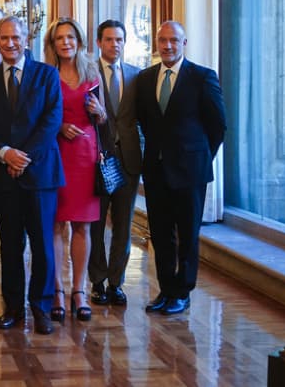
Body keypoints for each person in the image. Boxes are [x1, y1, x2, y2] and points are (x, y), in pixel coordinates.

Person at [0, 16, 63, 335]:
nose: (9, 43)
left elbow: (52, 120)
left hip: (40, 175)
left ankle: (40, 306)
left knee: (42, 246)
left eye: (15, 37)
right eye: (4, 37)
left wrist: (22, 157)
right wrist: (4, 153)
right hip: (2, 175)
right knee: (9, 246)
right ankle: (13, 307)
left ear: (26, 39)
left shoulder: (47, 74)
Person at [137, 21, 226, 316]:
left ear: (184, 43)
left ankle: (182, 293)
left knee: (187, 235)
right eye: (162, 40)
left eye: (174, 40)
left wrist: (200, 157)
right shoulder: (147, 78)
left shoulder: (202, 77)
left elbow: (218, 126)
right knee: (161, 235)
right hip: (156, 170)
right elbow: (145, 123)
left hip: (190, 172)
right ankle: (166, 290)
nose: (168, 45)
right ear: (157, 43)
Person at [43, 18, 106, 323]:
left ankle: (78, 290)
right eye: (59, 38)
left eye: (70, 37)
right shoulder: (45, 74)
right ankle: (56, 289)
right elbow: (38, 117)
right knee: (56, 225)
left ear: (80, 41)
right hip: (56, 154)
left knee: (82, 226)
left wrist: (101, 113)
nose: (65, 42)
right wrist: (58, 127)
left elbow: (102, 117)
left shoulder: (93, 73)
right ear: (52, 43)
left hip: (86, 153)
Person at [89, 20, 142, 307]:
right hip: (96, 160)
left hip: (129, 160)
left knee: (124, 225)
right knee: (96, 224)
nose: (115, 44)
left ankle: (116, 283)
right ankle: (97, 280)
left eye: (119, 39)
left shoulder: (136, 75)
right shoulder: (87, 72)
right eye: (109, 39)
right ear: (99, 42)